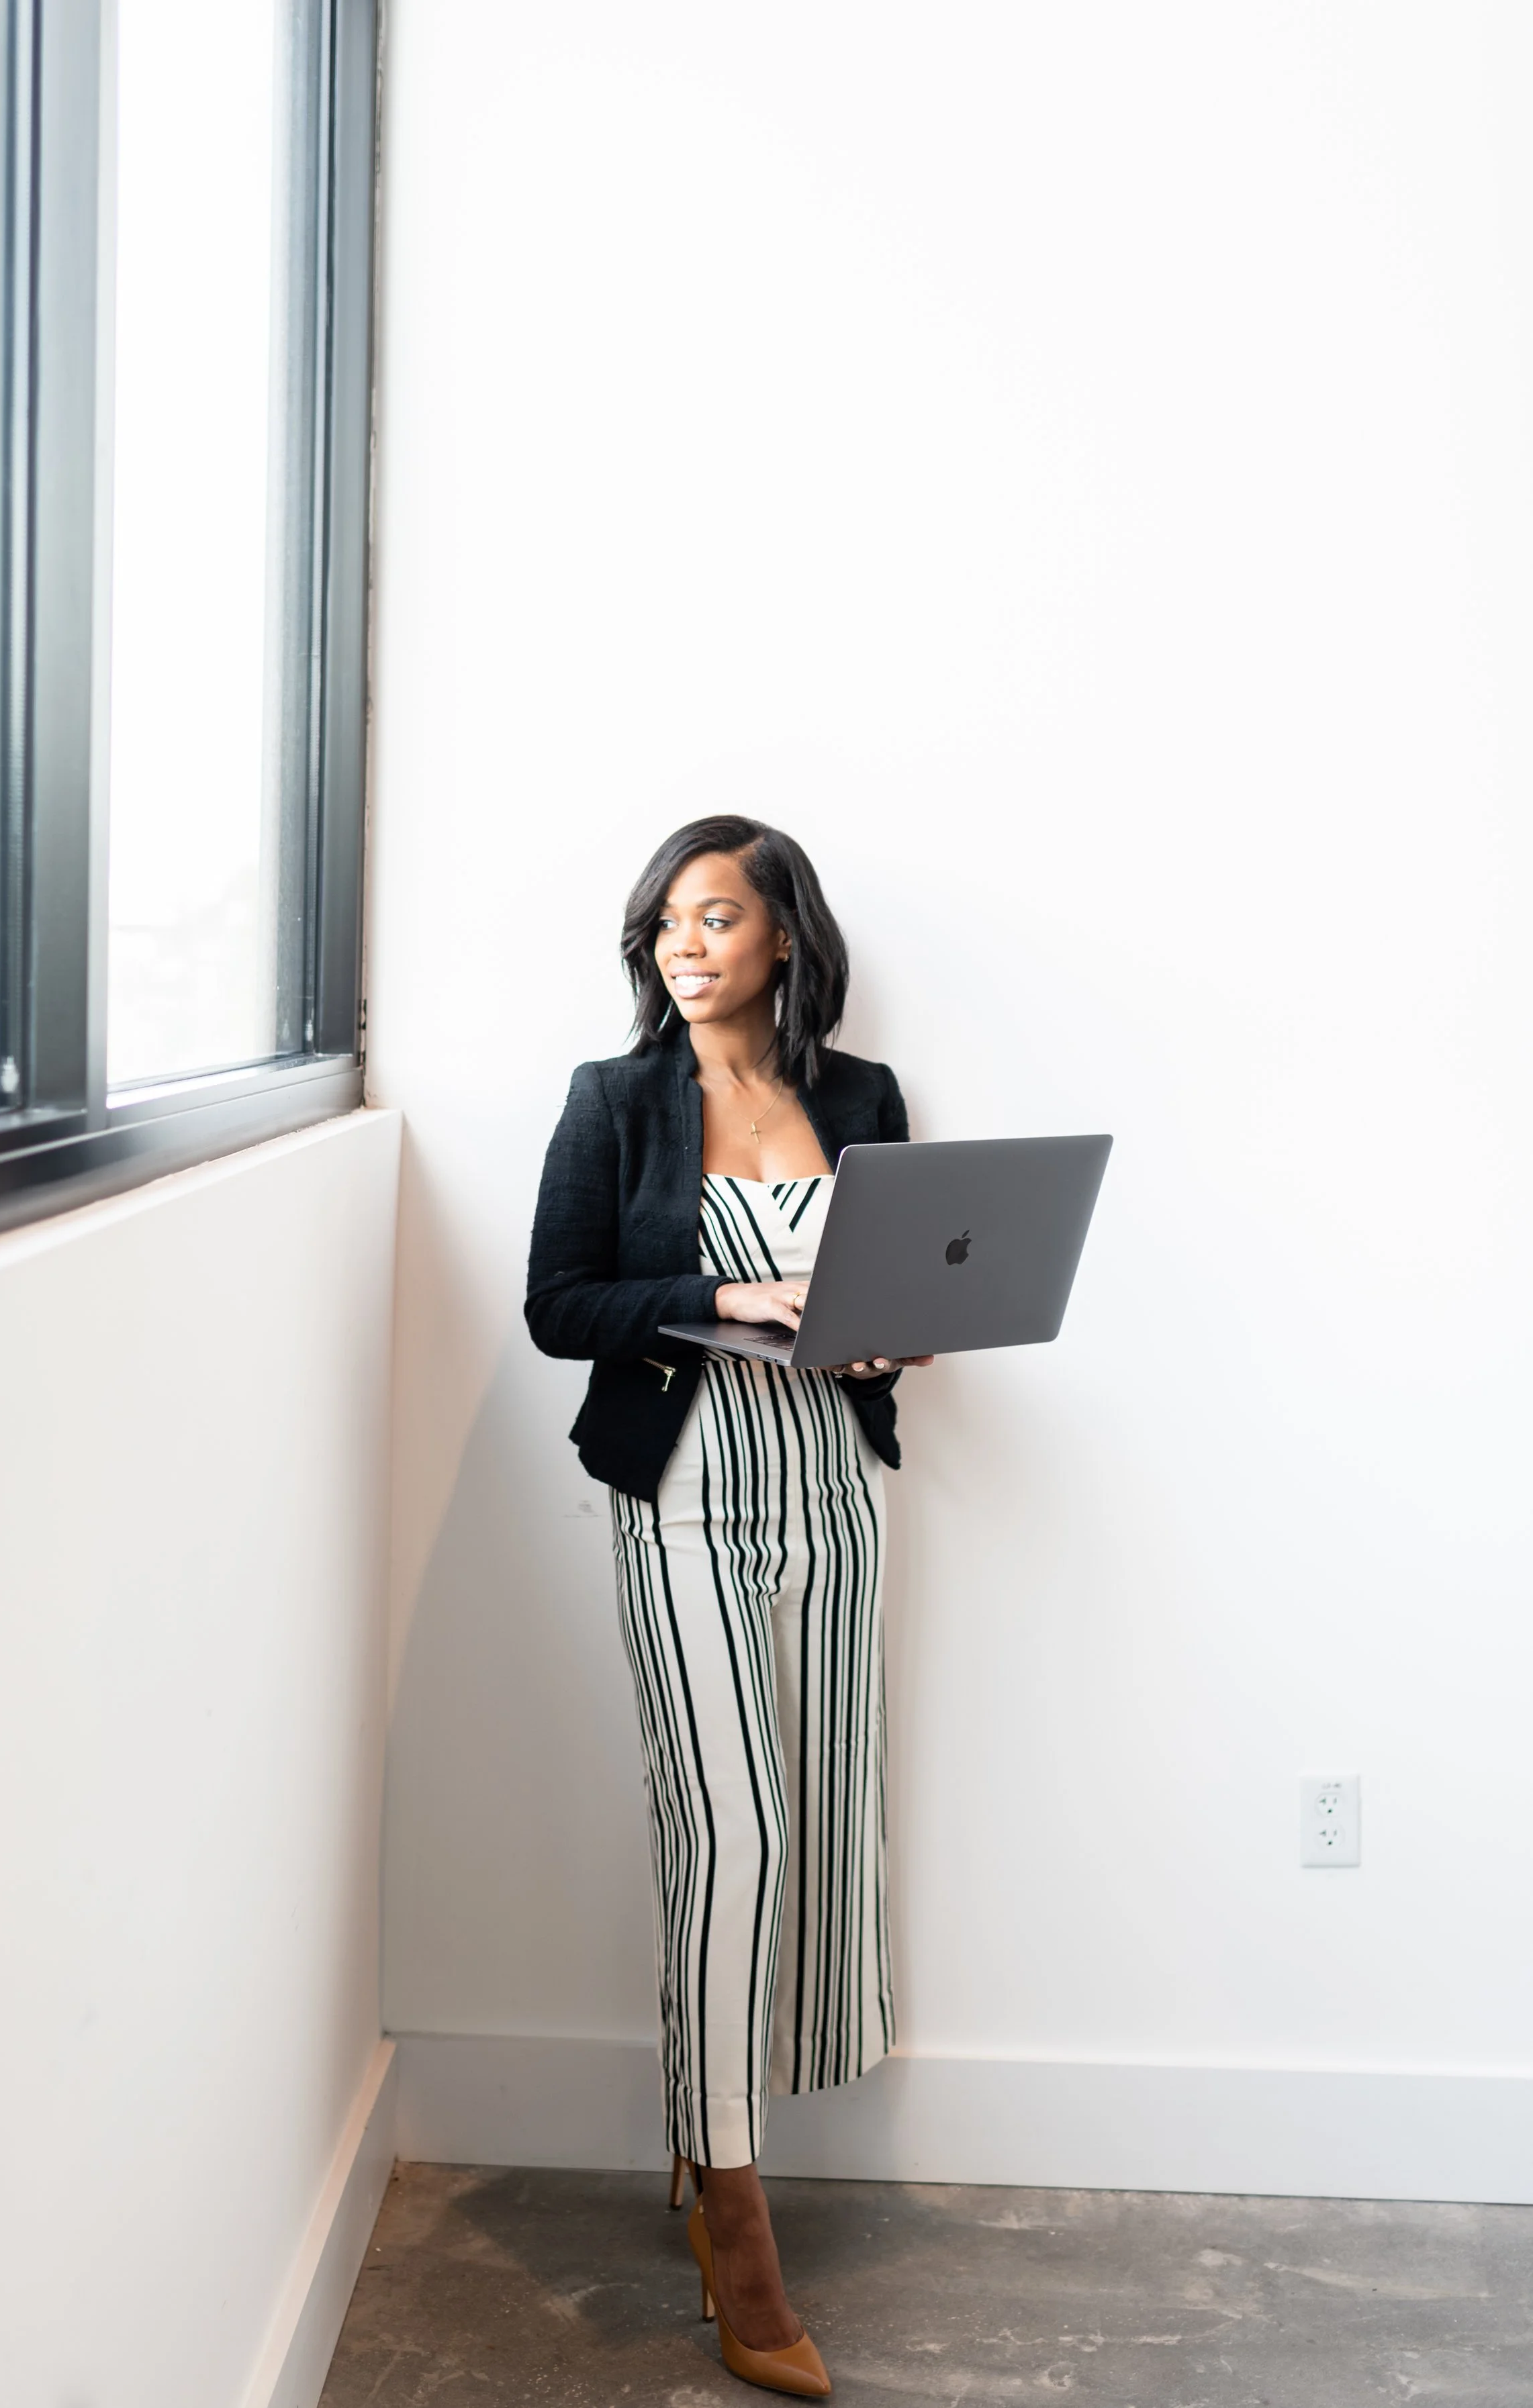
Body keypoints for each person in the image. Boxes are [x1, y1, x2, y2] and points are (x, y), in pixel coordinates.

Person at [526, 815, 931, 2397]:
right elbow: (560, 1305)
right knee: (729, 1831)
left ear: (781, 940)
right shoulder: (613, 1103)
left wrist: (888, 1336)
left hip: (835, 1496)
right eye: (663, 925)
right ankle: (733, 2206)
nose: (682, 945)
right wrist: (720, 1296)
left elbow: (905, 1284)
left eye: (712, 918)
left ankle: (727, 2139)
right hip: (682, 1495)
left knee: (823, 1824)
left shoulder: (860, 1098)